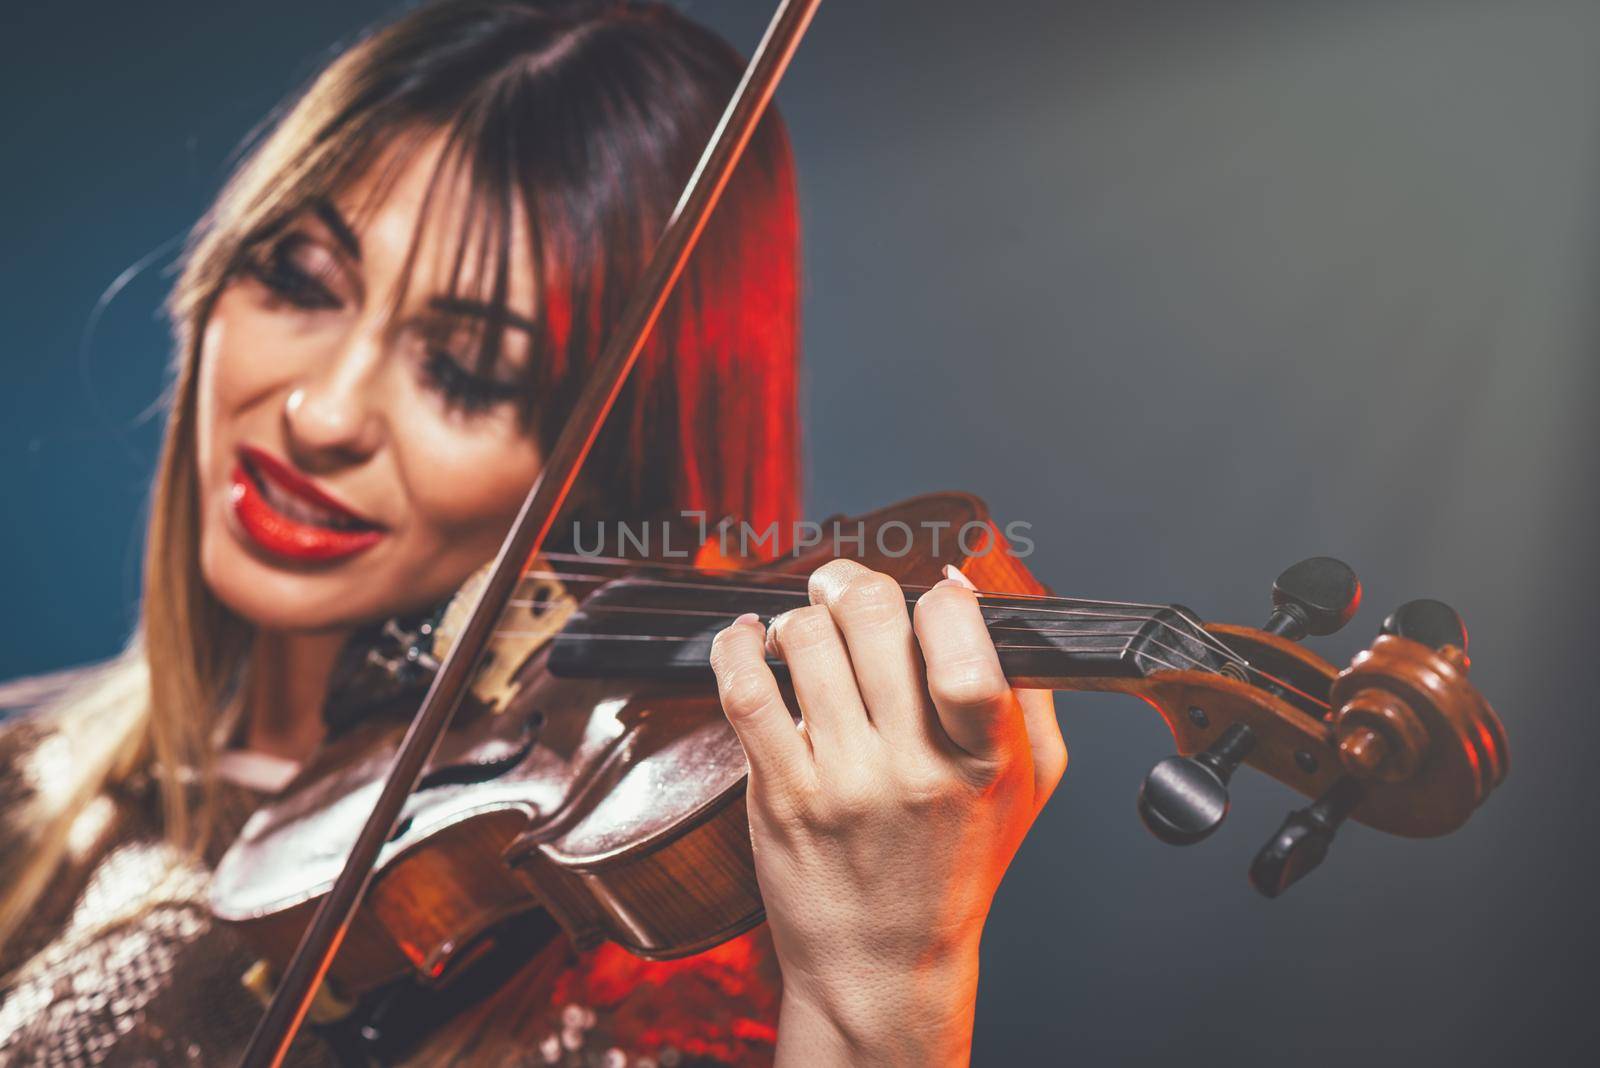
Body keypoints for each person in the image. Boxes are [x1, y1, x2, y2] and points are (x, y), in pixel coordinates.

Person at [0, 1, 1067, 1063]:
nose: (320, 414)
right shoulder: (21, 763)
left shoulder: (618, 986)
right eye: (297, 280)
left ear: (604, 463)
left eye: (465, 374)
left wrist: (882, 997)